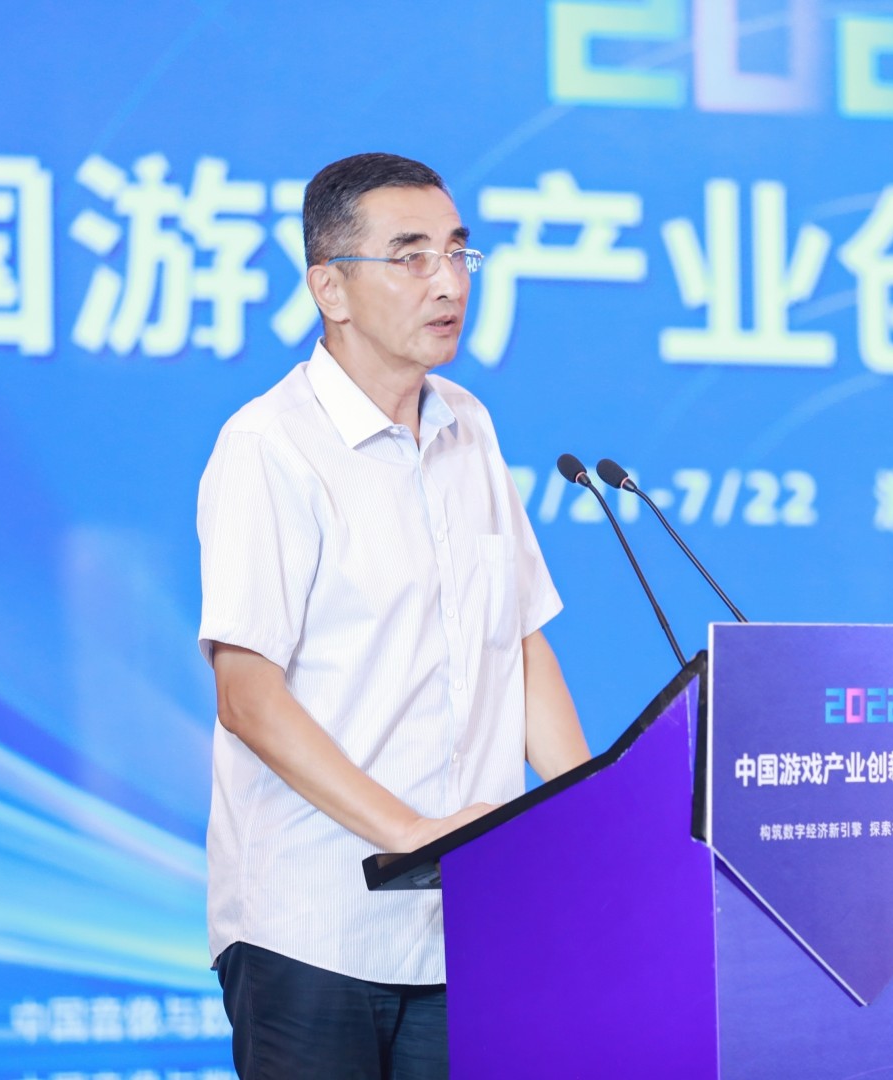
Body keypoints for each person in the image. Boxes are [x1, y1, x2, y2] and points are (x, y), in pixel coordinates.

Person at [195, 152, 590, 1079]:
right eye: (410, 256)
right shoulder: (269, 446)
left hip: (464, 925)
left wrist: (589, 815)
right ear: (329, 288)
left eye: (457, 252)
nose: (447, 282)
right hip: (312, 927)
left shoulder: (467, 426)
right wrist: (411, 834)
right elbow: (248, 696)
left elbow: (518, 642)